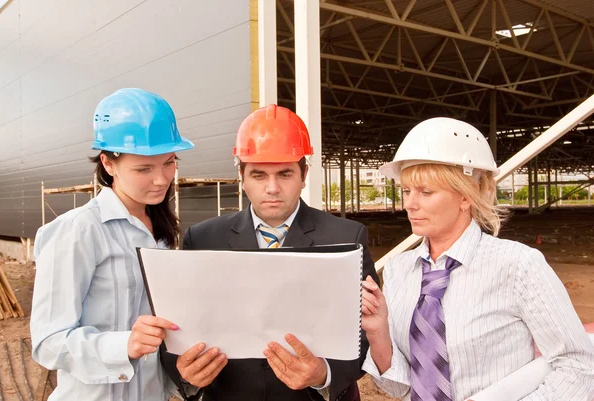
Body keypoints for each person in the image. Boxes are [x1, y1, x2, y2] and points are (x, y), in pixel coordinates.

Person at [360, 117, 594, 400]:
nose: (409, 203)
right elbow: (398, 387)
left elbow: (579, 369)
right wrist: (378, 332)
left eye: (426, 192)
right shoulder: (400, 269)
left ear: (466, 197)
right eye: (407, 190)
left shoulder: (518, 265)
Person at [160, 104, 379, 401]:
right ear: (242, 175)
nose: (272, 188)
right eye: (259, 175)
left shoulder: (345, 237)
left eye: (285, 174)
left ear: (304, 175)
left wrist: (324, 374)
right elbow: (179, 327)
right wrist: (186, 374)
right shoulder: (203, 238)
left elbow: (368, 330)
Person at [30, 88, 195, 401]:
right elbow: (47, 342)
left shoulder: (159, 233)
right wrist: (124, 345)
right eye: (144, 168)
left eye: (169, 163)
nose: (161, 179)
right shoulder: (79, 230)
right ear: (108, 163)